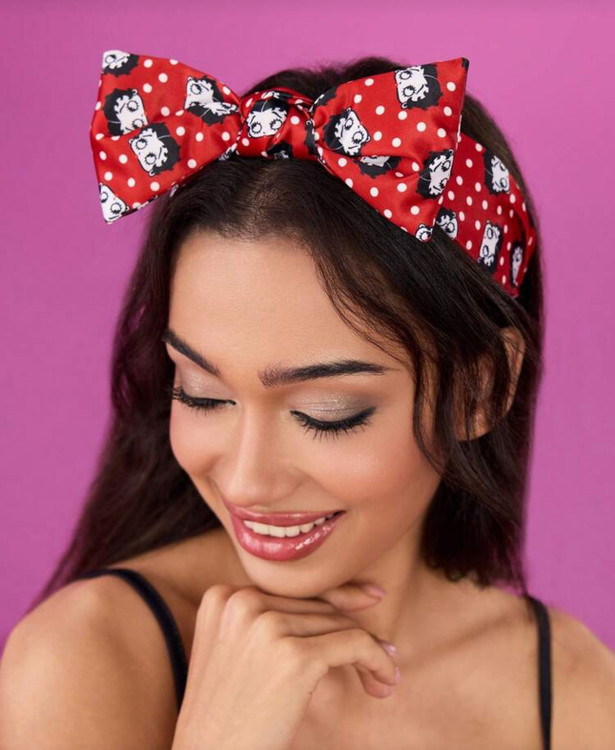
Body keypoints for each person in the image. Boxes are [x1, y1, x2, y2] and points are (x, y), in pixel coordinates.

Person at [1, 50, 614, 750]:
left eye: (325, 413)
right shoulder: (85, 660)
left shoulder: (576, 693)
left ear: (482, 388)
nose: (246, 481)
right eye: (202, 395)